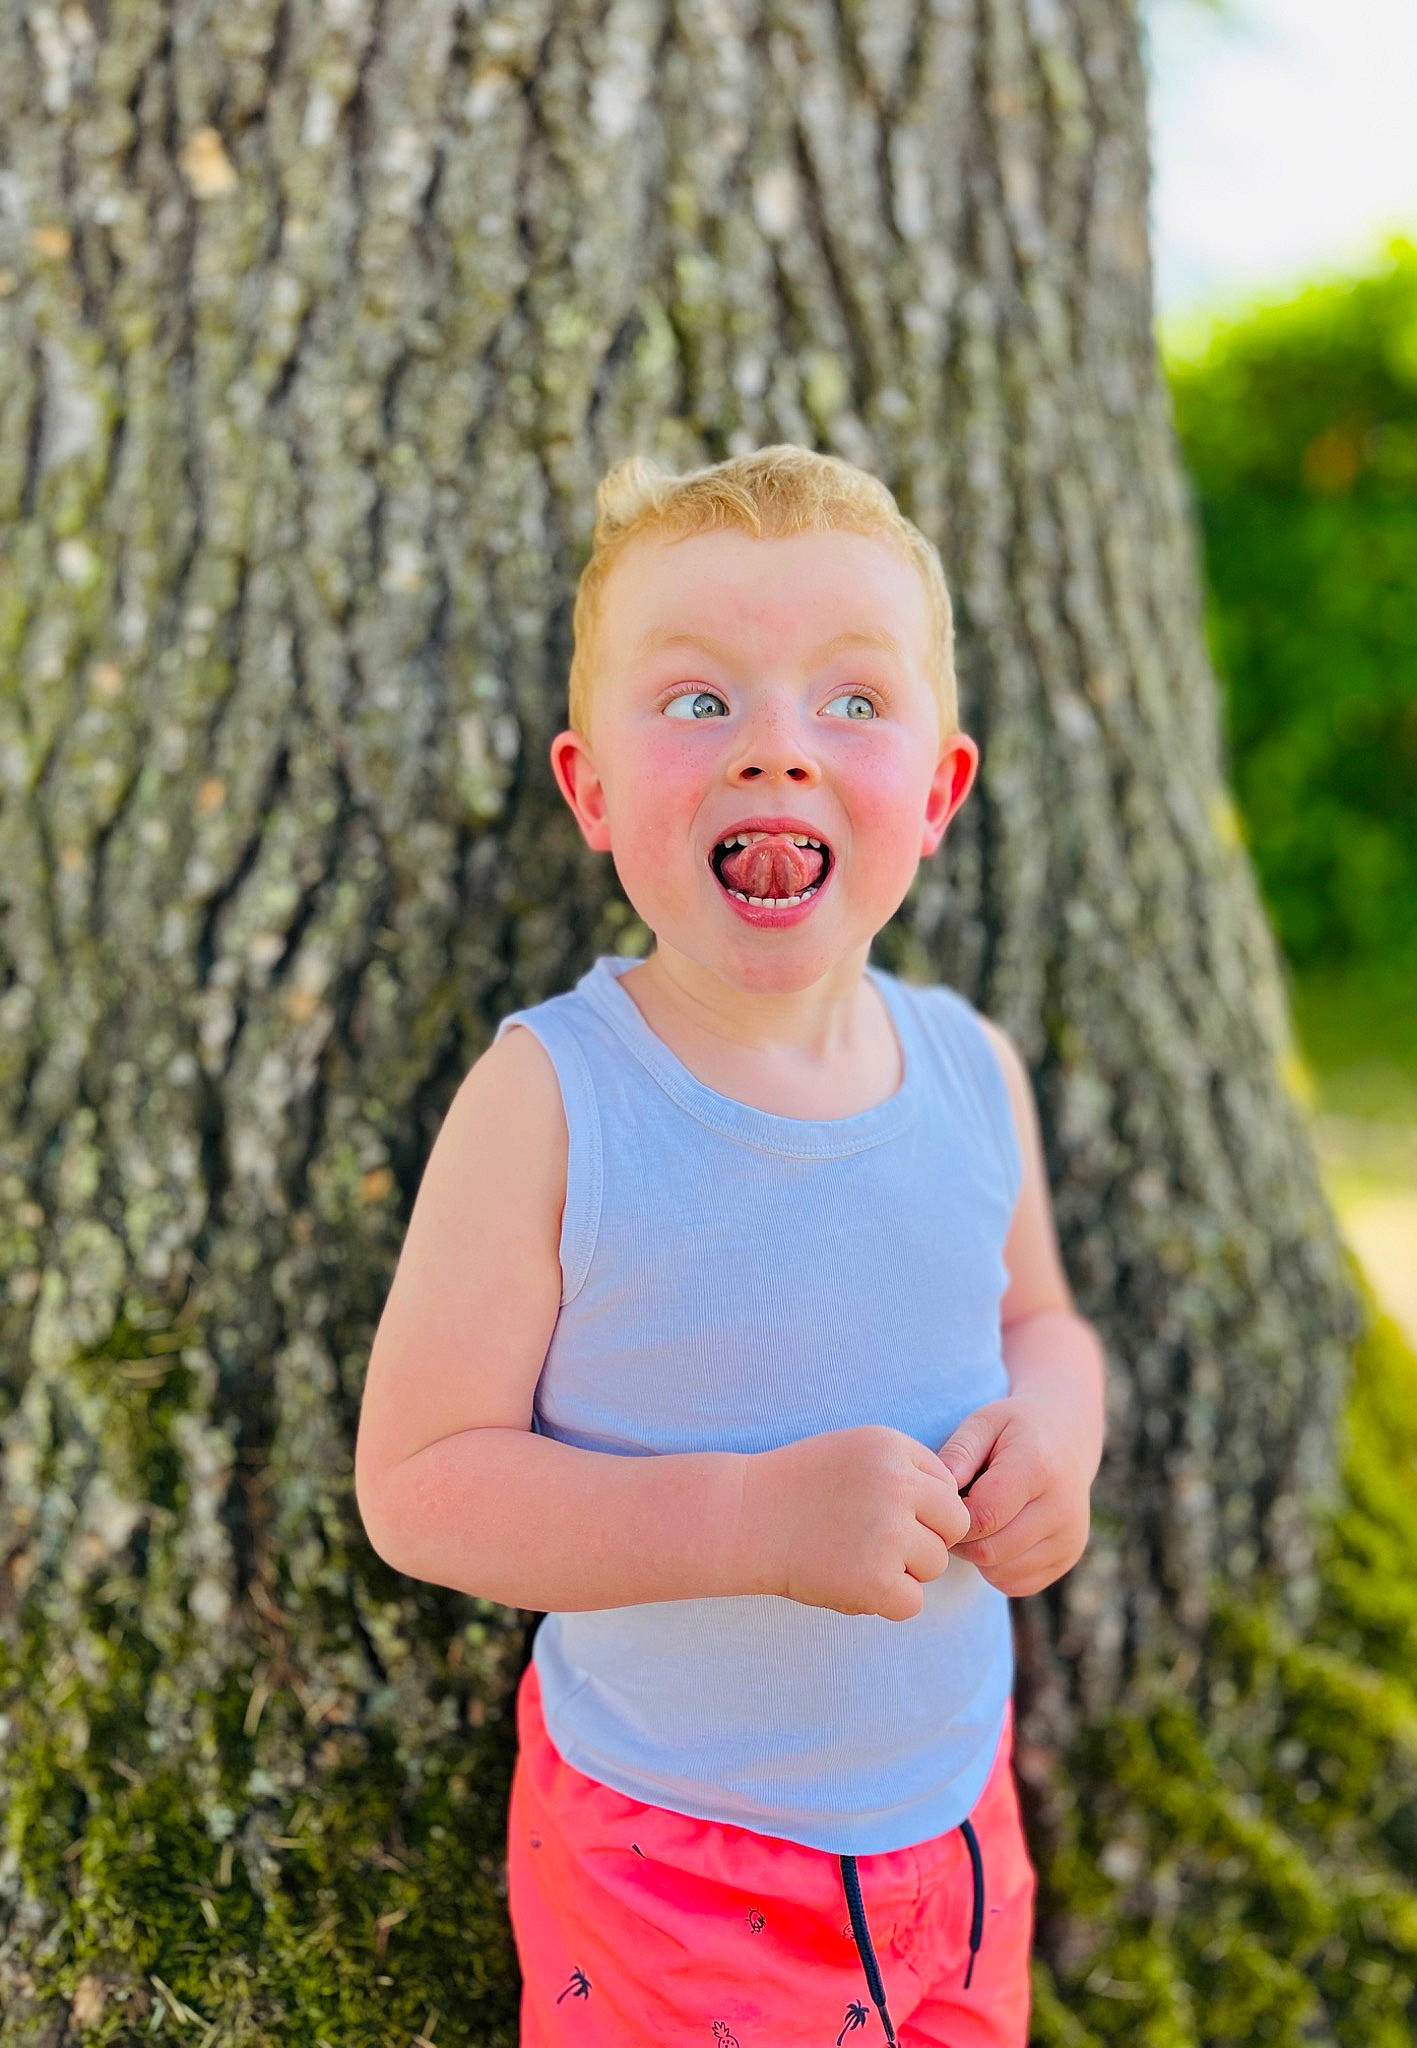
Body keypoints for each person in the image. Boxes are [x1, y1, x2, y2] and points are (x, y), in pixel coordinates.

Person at [353, 443, 1107, 2046]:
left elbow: (1045, 1323)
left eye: (850, 701)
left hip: (951, 1823)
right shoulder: (556, 1097)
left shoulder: (972, 1072)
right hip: (670, 1863)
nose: (776, 749)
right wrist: (749, 1519)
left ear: (939, 790)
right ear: (594, 790)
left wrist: (1057, 1437)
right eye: (699, 702)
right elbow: (419, 1484)